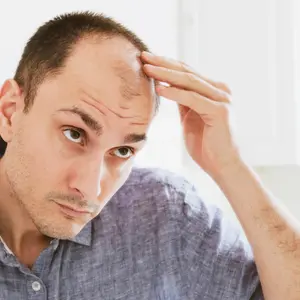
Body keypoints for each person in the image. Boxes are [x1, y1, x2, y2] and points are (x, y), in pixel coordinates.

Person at [0, 11, 299, 300]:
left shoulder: (166, 218)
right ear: (10, 112)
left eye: (122, 151)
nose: (90, 189)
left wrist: (232, 166)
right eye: (74, 134)